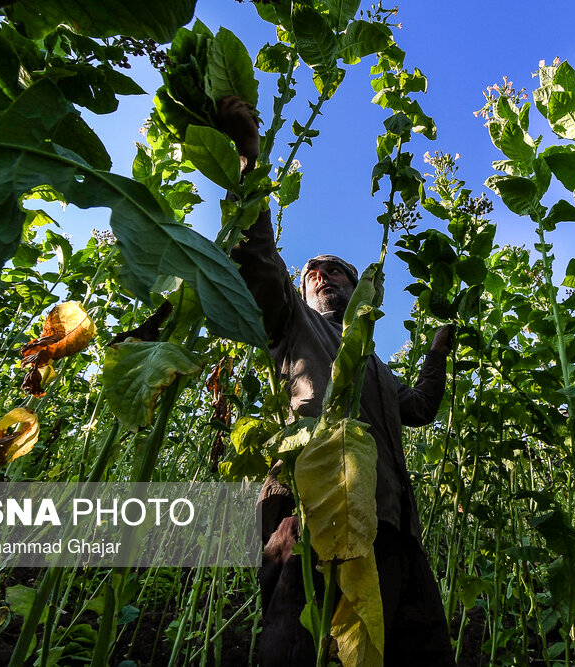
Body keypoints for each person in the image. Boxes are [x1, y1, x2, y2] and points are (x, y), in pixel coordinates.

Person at [217, 96, 457, 666]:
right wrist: (248, 156)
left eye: (337, 271)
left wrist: (439, 350)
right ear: (301, 293)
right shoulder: (293, 324)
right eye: (312, 274)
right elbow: (258, 263)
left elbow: (419, 407)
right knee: (302, 646)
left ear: (358, 288)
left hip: (390, 527)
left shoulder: (373, 363)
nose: (322, 276)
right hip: (311, 515)